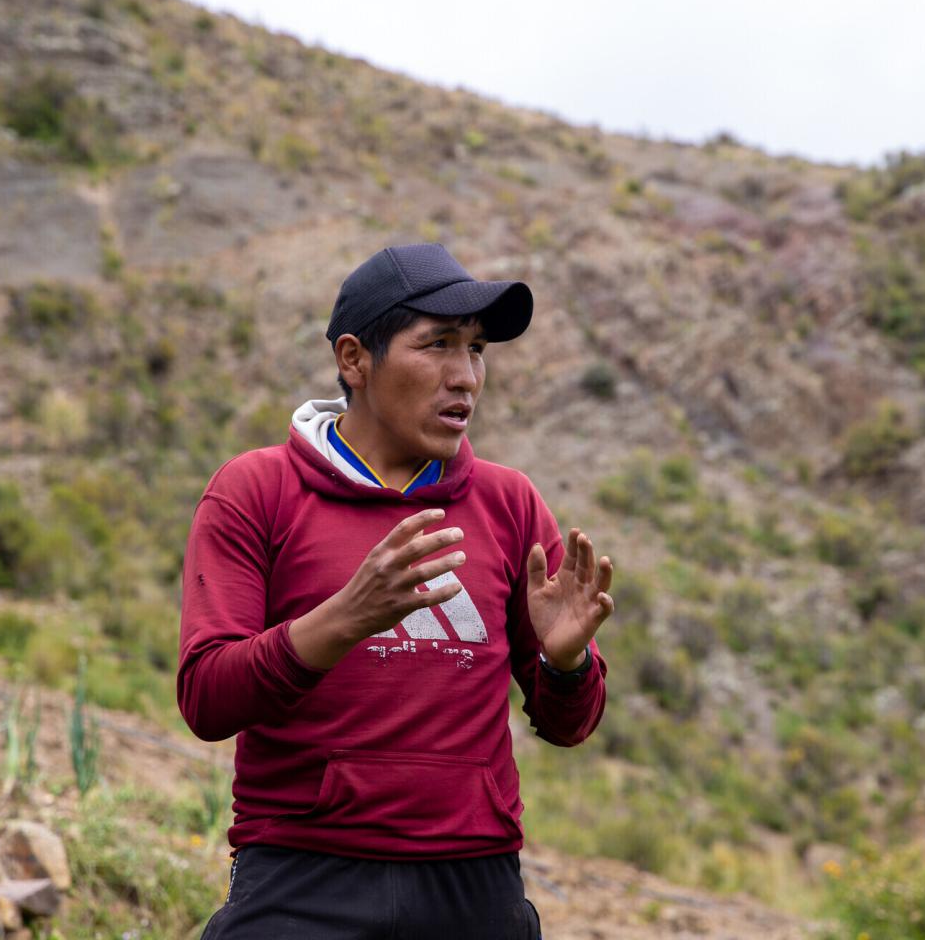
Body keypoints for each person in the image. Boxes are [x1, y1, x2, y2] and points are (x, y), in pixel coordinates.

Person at [178, 243, 613, 939]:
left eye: (475, 350)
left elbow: (570, 726)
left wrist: (567, 666)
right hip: (300, 880)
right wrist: (347, 617)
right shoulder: (254, 492)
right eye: (436, 344)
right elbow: (206, 697)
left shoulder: (511, 504)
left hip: (474, 885)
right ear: (354, 359)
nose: (465, 376)